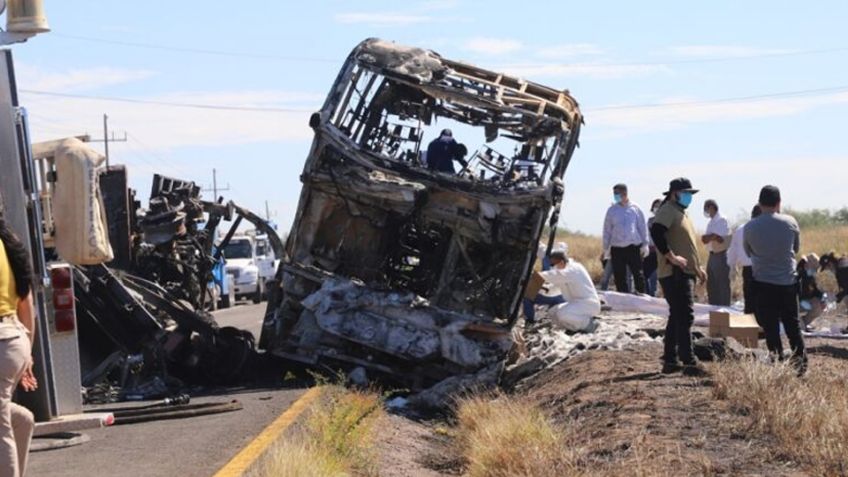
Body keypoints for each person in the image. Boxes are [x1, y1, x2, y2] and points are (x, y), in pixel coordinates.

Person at [744, 185, 806, 374]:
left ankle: (778, 361)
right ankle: (801, 364)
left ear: (759, 203)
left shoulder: (750, 226)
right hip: (788, 282)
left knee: (770, 326)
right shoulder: (790, 222)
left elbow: (749, 252)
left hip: (763, 283)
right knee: (792, 325)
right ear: (779, 203)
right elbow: (795, 249)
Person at [650, 178, 707, 376]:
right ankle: (689, 361)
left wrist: (697, 267)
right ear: (674, 193)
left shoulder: (682, 212)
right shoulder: (667, 210)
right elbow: (656, 232)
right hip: (674, 273)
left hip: (685, 272)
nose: (689, 197)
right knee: (685, 315)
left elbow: (687, 244)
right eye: (686, 193)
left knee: (677, 315)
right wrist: (671, 257)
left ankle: (670, 360)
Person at [0, 214, 38, 477]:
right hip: (15, 339)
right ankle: (23, 423)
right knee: (13, 417)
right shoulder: (8, 244)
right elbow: (27, 303)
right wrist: (28, 357)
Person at [534, 247, 601, 332]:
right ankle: (573, 328)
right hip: (577, 303)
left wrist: (536, 275)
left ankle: (590, 325)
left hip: (588, 304)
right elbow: (555, 288)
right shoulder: (564, 272)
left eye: (553, 265)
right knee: (553, 312)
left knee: (563, 315)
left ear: (561, 262)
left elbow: (555, 275)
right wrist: (543, 289)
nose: (552, 267)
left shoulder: (573, 269)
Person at [602, 183, 649, 294]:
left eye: (617, 193)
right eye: (614, 193)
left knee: (638, 274)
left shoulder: (635, 209)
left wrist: (645, 244)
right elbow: (607, 229)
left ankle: (641, 296)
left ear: (625, 193)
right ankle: (624, 297)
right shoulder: (612, 210)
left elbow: (642, 227)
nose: (615, 195)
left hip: (633, 247)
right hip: (617, 248)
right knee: (619, 276)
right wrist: (606, 247)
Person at [726, 205, 762, 313]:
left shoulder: (741, 229)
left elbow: (733, 250)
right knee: (762, 301)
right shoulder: (764, 228)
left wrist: (731, 266)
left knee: (750, 300)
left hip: (748, 270)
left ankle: (749, 327)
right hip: (763, 269)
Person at [522, 242, 566, 323]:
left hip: (554, 295)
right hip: (560, 297)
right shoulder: (567, 265)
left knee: (528, 298)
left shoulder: (547, 256)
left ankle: (530, 320)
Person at [702, 199, 731, 306]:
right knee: (712, 284)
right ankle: (714, 309)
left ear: (712, 207)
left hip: (721, 254)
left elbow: (720, 238)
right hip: (712, 254)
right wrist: (710, 237)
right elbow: (705, 239)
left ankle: (724, 310)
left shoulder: (722, 219)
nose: (706, 211)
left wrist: (711, 237)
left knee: (722, 284)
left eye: (707, 208)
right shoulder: (711, 222)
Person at [797, 253, 824, 331]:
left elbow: (818, 292)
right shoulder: (796, 275)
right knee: (799, 328)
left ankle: (803, 323)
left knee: (818, 307)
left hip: (803, 303)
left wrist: (821, 300)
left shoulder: (814, 277)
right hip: (792, 305)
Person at [643, 199, 663, 297]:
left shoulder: (665, 220)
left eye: (659, 206)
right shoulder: (650, 221)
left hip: (662, 252)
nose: (657, 208)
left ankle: (654, 296)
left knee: (655, 277)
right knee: (645, 275)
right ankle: (648, 295)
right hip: (650, 251)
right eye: (655, 206)